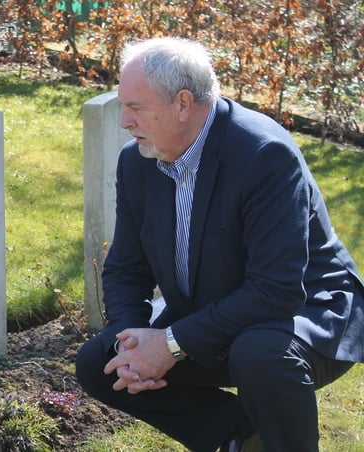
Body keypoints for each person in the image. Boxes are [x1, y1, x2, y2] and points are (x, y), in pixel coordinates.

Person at [75, 36, 364, 452]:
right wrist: (129, 342)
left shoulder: (263, 154)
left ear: (183, 103)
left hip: (307, 311)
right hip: (216, 306)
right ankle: (243, 439)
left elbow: (277, 289)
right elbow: (126, 268)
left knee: (259, 354)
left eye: (135, 107)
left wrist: (171, 344)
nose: (125, 122)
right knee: (99, 361)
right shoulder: (136, 162)